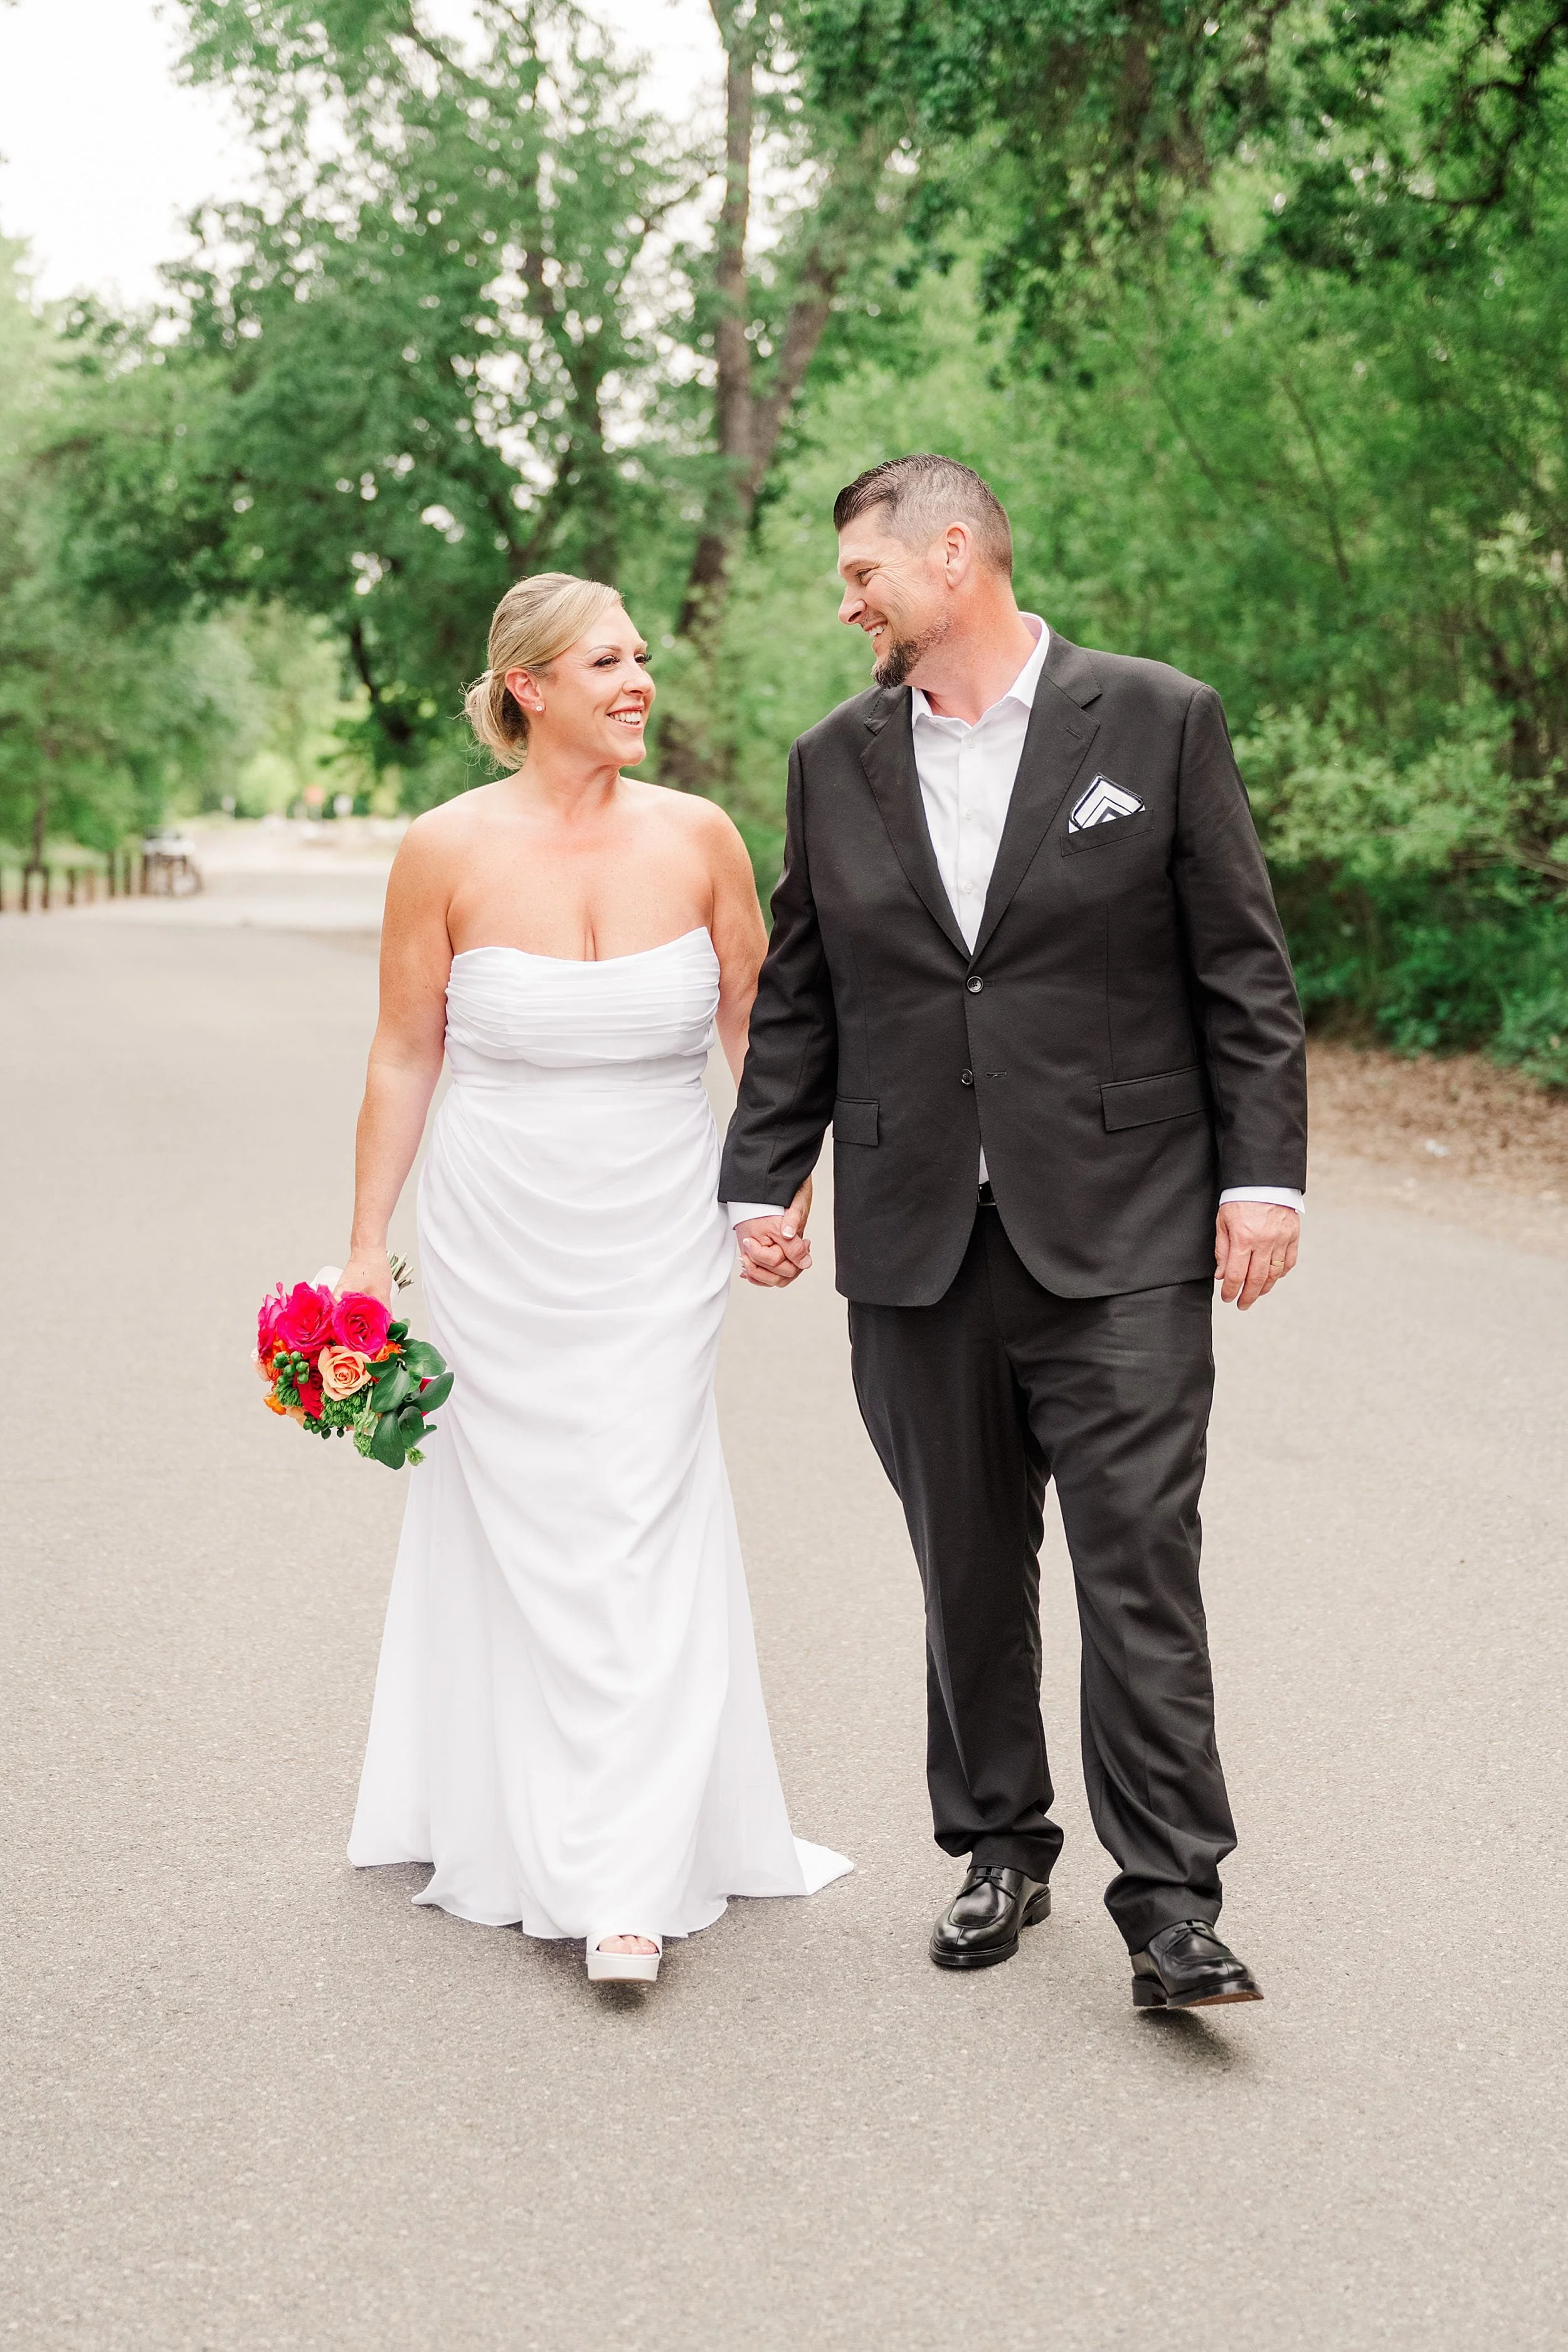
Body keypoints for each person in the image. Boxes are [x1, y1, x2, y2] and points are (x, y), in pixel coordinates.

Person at [722, 455, 1306, 2010]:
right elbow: (801, 996)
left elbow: (1239, 972)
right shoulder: (829, 759)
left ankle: (1172, 1901)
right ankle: (998, 1848)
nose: (846, 600)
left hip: (1123, 1226)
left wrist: (1265, 1178)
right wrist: (756, 1181)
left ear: (954, 551)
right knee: (965, 1570)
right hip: (914, 1233)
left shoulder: (1156, 717)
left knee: (1136, 1563)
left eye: (862, 572)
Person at [340, 572, 849, 1984]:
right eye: (607, 662)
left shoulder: (698, 838)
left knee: (633, 1504)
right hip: (499, 1222)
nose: (638, 682)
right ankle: (518, 1812)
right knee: (525, 1510)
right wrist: (367, 1246)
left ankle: (623, 1875)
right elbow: (402, 1051)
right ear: (528, 690)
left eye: (640, 658)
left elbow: (765, 1029)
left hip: (658, 1218)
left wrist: (777, 1194)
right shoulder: (442, 850)